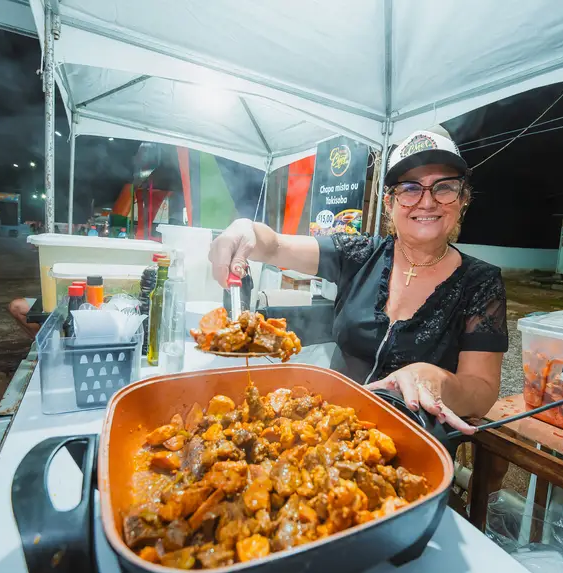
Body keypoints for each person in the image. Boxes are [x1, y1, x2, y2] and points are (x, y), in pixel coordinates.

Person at [209, 129, 507, 435]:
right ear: (390, 202)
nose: (427, 202)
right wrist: (244, 230)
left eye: (443, 188)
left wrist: (436, 378)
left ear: (463, 199)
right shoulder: (359, 254)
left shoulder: (480, 282)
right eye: (410, 188)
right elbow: (273, 246)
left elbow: (481, 391)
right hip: (329, 428)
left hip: (410, 442)